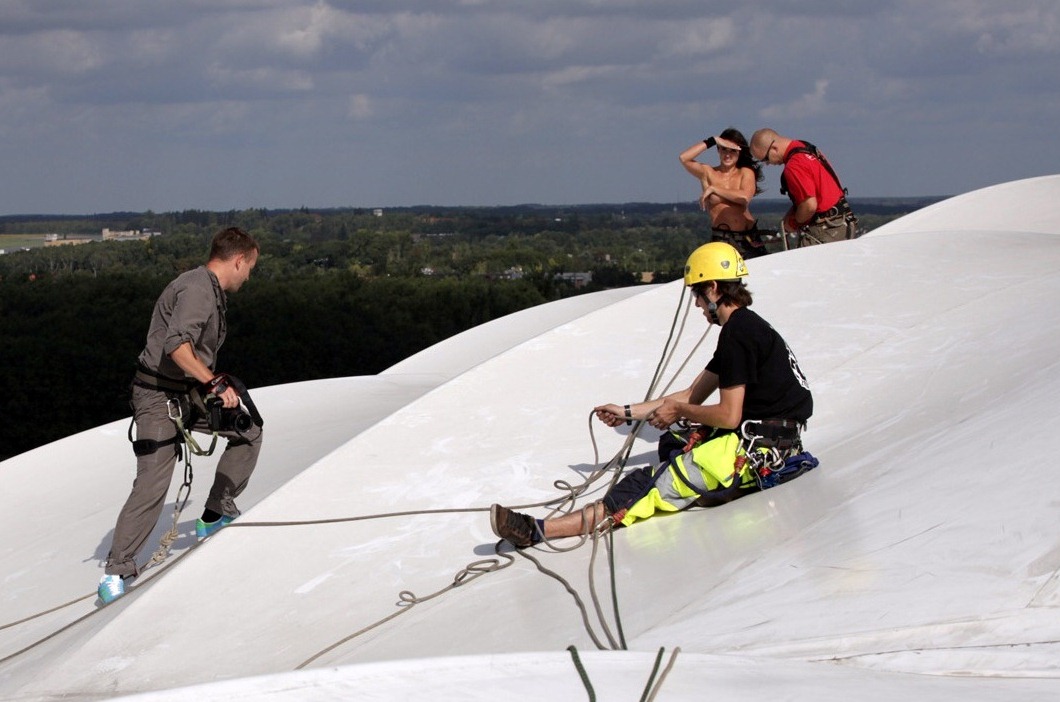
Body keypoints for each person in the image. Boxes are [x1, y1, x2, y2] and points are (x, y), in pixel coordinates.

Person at [491, 242, 816, 548]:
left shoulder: (738, 335)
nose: (698, 305)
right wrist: (627, 412)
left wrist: (679, 412)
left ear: (713, 289)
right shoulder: (747, 328)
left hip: (755, 452)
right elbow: (691, 394)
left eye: (698, 295)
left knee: (643, 486)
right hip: (773, 441)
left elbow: (728, 415)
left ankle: (538, 531)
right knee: (672, 442)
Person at [98, 227, 263, 604]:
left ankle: (214, 515)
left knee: (247, 431)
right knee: (154, 482)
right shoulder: (198, 290)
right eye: (249, 267)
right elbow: (177, 347)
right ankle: (117, 570)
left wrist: (207, 386)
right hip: (159, 396)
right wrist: (216, 385)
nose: (248, 275)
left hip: (187, 391)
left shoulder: (209, 289)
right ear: (238, 260)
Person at [750, 128, 860, 247]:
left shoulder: (794, 165)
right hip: (843, 222)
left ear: (774, 148)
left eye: (766, 159)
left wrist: (793, 223)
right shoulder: (805, 147)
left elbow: (809, 206)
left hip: (827, 229)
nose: (768, 164)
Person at [678, 128, 768, 259]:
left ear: (739, 152)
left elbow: (744, 197)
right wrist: (713, 140)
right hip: (722, 238)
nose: (728, 154)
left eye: (733, 150)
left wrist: (715, 189)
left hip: (748, 238)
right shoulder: (708, 172)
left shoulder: (745, 172)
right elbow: (684, 158)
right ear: (718, 150)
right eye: (724, 149)